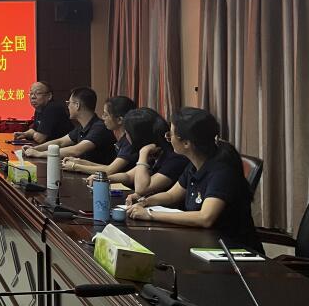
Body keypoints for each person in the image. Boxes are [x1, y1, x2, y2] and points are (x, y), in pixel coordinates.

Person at [126, 107, 262, 253]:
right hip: (203, 242)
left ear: (186, 143)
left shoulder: (222, 171)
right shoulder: (195, 164)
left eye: (170, 134)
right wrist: (145, 201)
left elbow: (205, 218)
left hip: (233, 251)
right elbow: (171, 195)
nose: (168, 138)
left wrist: (150, 215)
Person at [107, 108, 191, 195]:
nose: (126, 136)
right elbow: (128, 176)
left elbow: (142, 188)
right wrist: (104, 179)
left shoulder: (176, 158)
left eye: (127, 133)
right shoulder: (155, 152)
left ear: (137, 137)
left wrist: (143, 153)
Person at [23, 87, 116, 164]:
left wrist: (39, 154)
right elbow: (60, 142)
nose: (68, 107)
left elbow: (75, 150)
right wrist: (35, 149)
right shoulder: (81, 127)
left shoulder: (99, 127)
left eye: (69, 103)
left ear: (77, 105)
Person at [63, 95, 137, 175]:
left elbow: (109, 170)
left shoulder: (129, 141)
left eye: (106, 115)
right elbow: (109, 167)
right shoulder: (122, 139)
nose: (103, 117)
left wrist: (75, 166)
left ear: (119, 120)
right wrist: (80, 162)